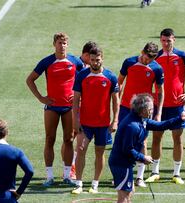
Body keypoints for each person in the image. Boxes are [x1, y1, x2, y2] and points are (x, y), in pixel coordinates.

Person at [109, 93, 185, 203]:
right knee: (124, 197)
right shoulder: (132, 126)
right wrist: (143, 157)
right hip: (121, 164)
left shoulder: (141, 120)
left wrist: (180, 118)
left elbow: (160, 125)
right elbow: (127, 150)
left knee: (129, 192)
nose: (152, 111)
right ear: (143, 110)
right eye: (150, 109)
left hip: (125, 163)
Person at [145, 28, 185, 185]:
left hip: (177, 105)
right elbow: (146, 74)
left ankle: (176, 174)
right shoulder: (155, 57)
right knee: (157, 137)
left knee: (177, 138)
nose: (166, 43)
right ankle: (155, 172)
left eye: (168, 40)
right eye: (163, 41)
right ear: (160, 40)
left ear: (174, 40)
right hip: (159, 105)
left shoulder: (182, 56)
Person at [26, 32, 83, 186]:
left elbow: (85, 78)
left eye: (65, 43)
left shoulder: (75, 61)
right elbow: (30, 79)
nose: (62, 45)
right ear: (54, 44)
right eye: (59, 43)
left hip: (69, 107)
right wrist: (40, 98)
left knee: (69, 140)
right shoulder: (47, 61)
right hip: (51, 107)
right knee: (49, 139)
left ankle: (67, 176)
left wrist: (79, 96)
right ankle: (49, 177)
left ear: (67, 45)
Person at [71, 46, 120, 194]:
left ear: (102, 59)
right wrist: (76, 120)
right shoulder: (82, 76)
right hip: (85, 123)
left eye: (97, 60)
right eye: (92, 60)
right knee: (80, 150)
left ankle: (95, 183)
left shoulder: (110, 77)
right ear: (89, 60)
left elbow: (116, 102)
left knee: (100, 153)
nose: (94, 62)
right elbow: (76, 101)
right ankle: (79, 184)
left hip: (103, 124)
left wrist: (115, 121)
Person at [117, 42, 164, 188]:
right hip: (125, 108)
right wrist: (116, 107)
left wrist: (158, 112)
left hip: (144, 111)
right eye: (145, 57)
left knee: (142, 142)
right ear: (141, 51)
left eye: (150, 59)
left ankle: (140, 177)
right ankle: (122, 174)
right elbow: (119, 84)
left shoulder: (157, 68)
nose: (146, 60)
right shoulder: (129, 62)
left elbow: (161, 91)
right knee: (122, 141)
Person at [68, 41, 98, 180]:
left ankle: (70, 169)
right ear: (86, 55)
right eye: (91, 57)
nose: (93, 61)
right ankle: (68, 169)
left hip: (87, 108)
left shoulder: (89, 66)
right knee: (71, 138)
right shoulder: (77, 66)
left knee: (79, 141)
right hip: (75, 107)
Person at [0, 120, 34, 202]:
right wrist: (19, 192)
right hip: (9, 198)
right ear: (7, 133)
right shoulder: (16, 151)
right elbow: (30, 171)